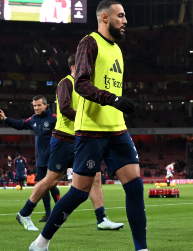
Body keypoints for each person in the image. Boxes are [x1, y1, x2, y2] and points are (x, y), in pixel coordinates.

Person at [27, 0, 171, 251]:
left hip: (117, 129)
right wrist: (113, 100)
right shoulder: (88, 43)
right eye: (121, 15)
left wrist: (116, 105)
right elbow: (80, 83)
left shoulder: (116, 49)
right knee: (79, 192)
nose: (125, 20)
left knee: (135, 185)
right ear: (104, 17)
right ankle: (40, 244)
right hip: (91, 129)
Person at [12, 60, 122, 231]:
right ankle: (25, 213)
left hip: (83, 137)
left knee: (95, 177)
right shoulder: (66, 83)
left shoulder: (87, 86)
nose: (89, 69)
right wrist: (86, 120)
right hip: (64, 138)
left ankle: (101, 218)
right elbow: (64, 109)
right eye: (85, 66)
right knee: (51, 180)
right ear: (73, 67)